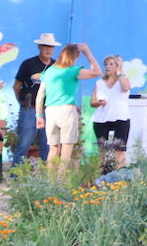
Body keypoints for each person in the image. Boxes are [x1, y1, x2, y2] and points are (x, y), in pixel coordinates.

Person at [36, 42, 101, 172]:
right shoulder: (73, 71)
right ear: (74, 57)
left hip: (50, 111)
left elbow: (40, 96)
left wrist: (39, 116)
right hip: (66, 111)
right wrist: (87, 52)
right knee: (66, 148)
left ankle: (49, 182)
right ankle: (61, 181)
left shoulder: (49, 72)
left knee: (53, 149)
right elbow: (97, 72)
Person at [11, 33, 59, 166]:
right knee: (24, 143)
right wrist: (22, 102)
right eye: (45, 46)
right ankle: (17, 176)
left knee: (48, 144)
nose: (48, 50)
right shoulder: (28, 64)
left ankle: (46, 177)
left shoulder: (57, 66)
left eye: (51, 47)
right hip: (30, 108)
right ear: (39, 47)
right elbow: (16, 86)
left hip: (49, 110)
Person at [91, 54, 132, 168]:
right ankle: (102, 176)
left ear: (118, 66)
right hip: (101, 119)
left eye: (111, 64)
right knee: (102, 151)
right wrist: (99, 102)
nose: (107, 66)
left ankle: (120, 178)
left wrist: (119, 71)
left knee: (119, 150)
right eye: (106, 64)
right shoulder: (99, 82)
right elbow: (92, 102)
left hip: (120, 118)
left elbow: (125, 88)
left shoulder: (123, 79)